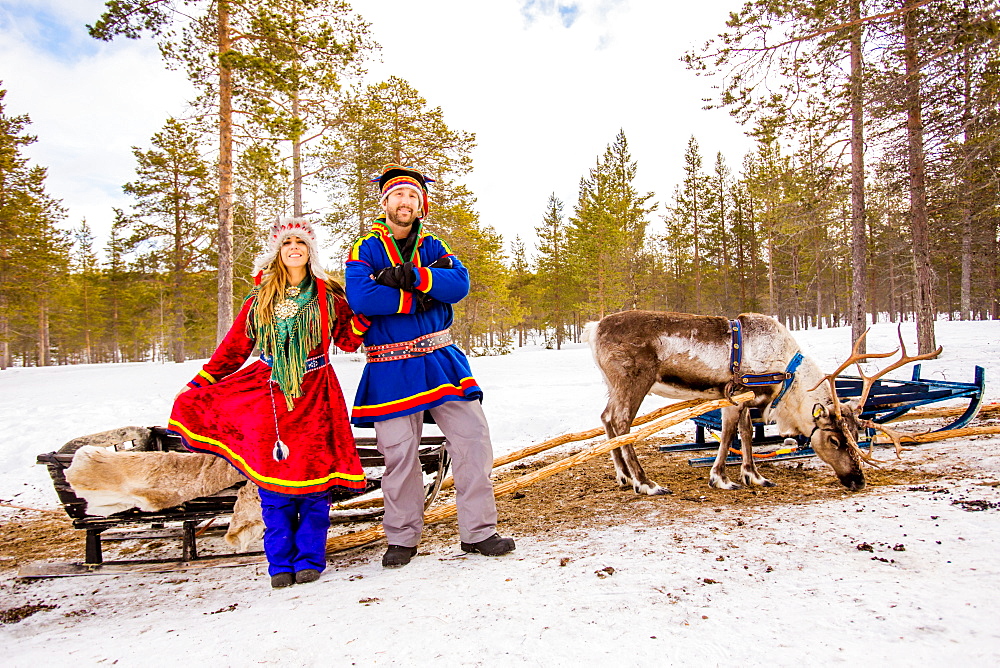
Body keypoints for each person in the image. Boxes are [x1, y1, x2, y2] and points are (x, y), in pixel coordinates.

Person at [169, 217, 366, 588]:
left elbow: (350, 339)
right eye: (288, 243)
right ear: (278, 252)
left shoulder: (328, 296)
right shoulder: (260, 299)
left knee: (315, 480)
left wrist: (369, 307)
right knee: (273, 483)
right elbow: (233, 349)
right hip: (270, 393)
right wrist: (200, 383)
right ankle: (279, 563)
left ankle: (309, 559)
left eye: (302, 244)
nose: (295, 248)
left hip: (317, 392)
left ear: (310, 253)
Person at [345, 164, 515, 568]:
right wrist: (418, 299)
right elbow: (362, 297)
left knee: (473, 440)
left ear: (422, 205)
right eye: (398, 195)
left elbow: (459, 285)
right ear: (384, 202)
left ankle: (479, 532)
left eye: (413, 197)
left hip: (440, 359)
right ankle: (402, 538)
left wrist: (415, 278)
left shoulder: (435, 245)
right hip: (389, 367)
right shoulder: (364, 247)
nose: (405, 202)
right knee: (399, 455)